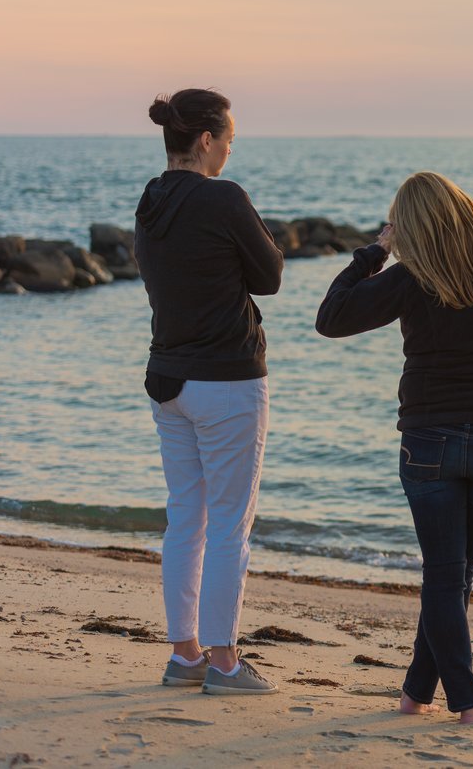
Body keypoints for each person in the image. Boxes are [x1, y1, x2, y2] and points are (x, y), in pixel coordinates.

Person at [316, 171, 473, 724]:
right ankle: (416, 694)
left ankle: (467, 702)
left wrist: (371, 254)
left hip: (430, 438)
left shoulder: (413, 275)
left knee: (445, 571)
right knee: (452, 571)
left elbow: (331, 318)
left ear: (407, 227)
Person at [135, 88, 284, 695]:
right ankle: (224, 662)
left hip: (168, 379)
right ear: (204, 140)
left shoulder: (151, 198)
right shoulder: (224, 197)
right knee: (228, 527)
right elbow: (270, 275)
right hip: (225, 381)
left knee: (185, 521)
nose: (228, 150)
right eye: (226, 140)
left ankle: (185, 654)